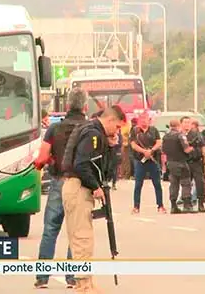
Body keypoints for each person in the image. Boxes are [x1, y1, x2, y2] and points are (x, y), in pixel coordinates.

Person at [62, 106, 125, 293]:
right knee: (82, 238)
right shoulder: (93, 135)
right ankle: (83, 285)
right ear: (111, 120)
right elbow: (81, 165)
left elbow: (107, 168)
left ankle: (86, 281)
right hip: (79, 187)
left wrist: (112, 147)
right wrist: (95, 187)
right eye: (118, 127)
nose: (118, 132)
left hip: (78, 188)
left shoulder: (94, 132)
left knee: (81, 238)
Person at [33, 88, 88, 289]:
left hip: (58, 182)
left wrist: (42, 163)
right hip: (81, 185)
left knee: (50, 229)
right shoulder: (89, 128)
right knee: (76, 231)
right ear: (85, 106)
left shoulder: (54, 130)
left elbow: (41, 158)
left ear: (66, 106)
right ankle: (71, 277)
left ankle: (42, 277)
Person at [130, 111, 166, 214]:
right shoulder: (135, 131)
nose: (144, 121)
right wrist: (144, 151)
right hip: (140, 160)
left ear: (149, 120)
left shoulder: (154, 130)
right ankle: (136, 206)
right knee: (138, 185)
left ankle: (160, 205)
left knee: (157, 184)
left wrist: (151, 150)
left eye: (146, 119)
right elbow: (133, 144)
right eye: (142, 119)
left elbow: (159, 142)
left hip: (153, 160)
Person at [162, 119, 194, 213]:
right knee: (186, 183)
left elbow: (163, 150)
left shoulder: (166, 137)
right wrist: (192, 148)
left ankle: (173, 205)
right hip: (181, 163)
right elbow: (186, 149)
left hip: (170, 163)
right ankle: (187, 205)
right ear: (178, 125)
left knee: (174, 184)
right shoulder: (180, 135)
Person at [187, 119, 205, 212]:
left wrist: (204, 160)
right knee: (191, 183)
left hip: (194, 161)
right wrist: (204, 160)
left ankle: (199, 203)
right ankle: (197, 204)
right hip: (192, 161)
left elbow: (203, 148)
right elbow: (203, 149)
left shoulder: (198, 135)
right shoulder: (198, 135)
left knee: (198, 183)